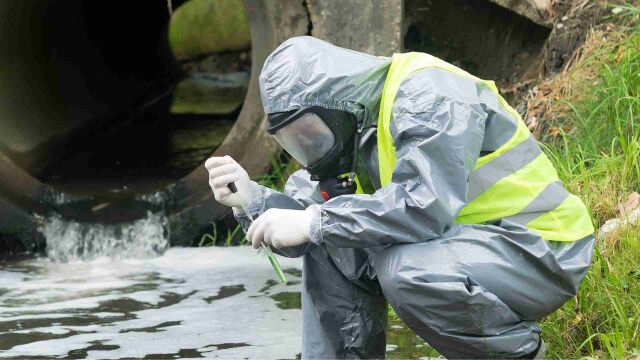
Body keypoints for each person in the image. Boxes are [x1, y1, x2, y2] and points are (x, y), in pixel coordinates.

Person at [205, 36, 594, 359]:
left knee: (400, 266)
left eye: (308, 132)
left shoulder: (429, 94)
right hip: (470, 251)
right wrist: (253, 200)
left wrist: (315, 222)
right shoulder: (354, 130)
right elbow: (307, 229)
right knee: (327, 236)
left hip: (539, 248)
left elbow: (424, 207)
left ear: (332, 104)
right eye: (293, 141)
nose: (307, 148)